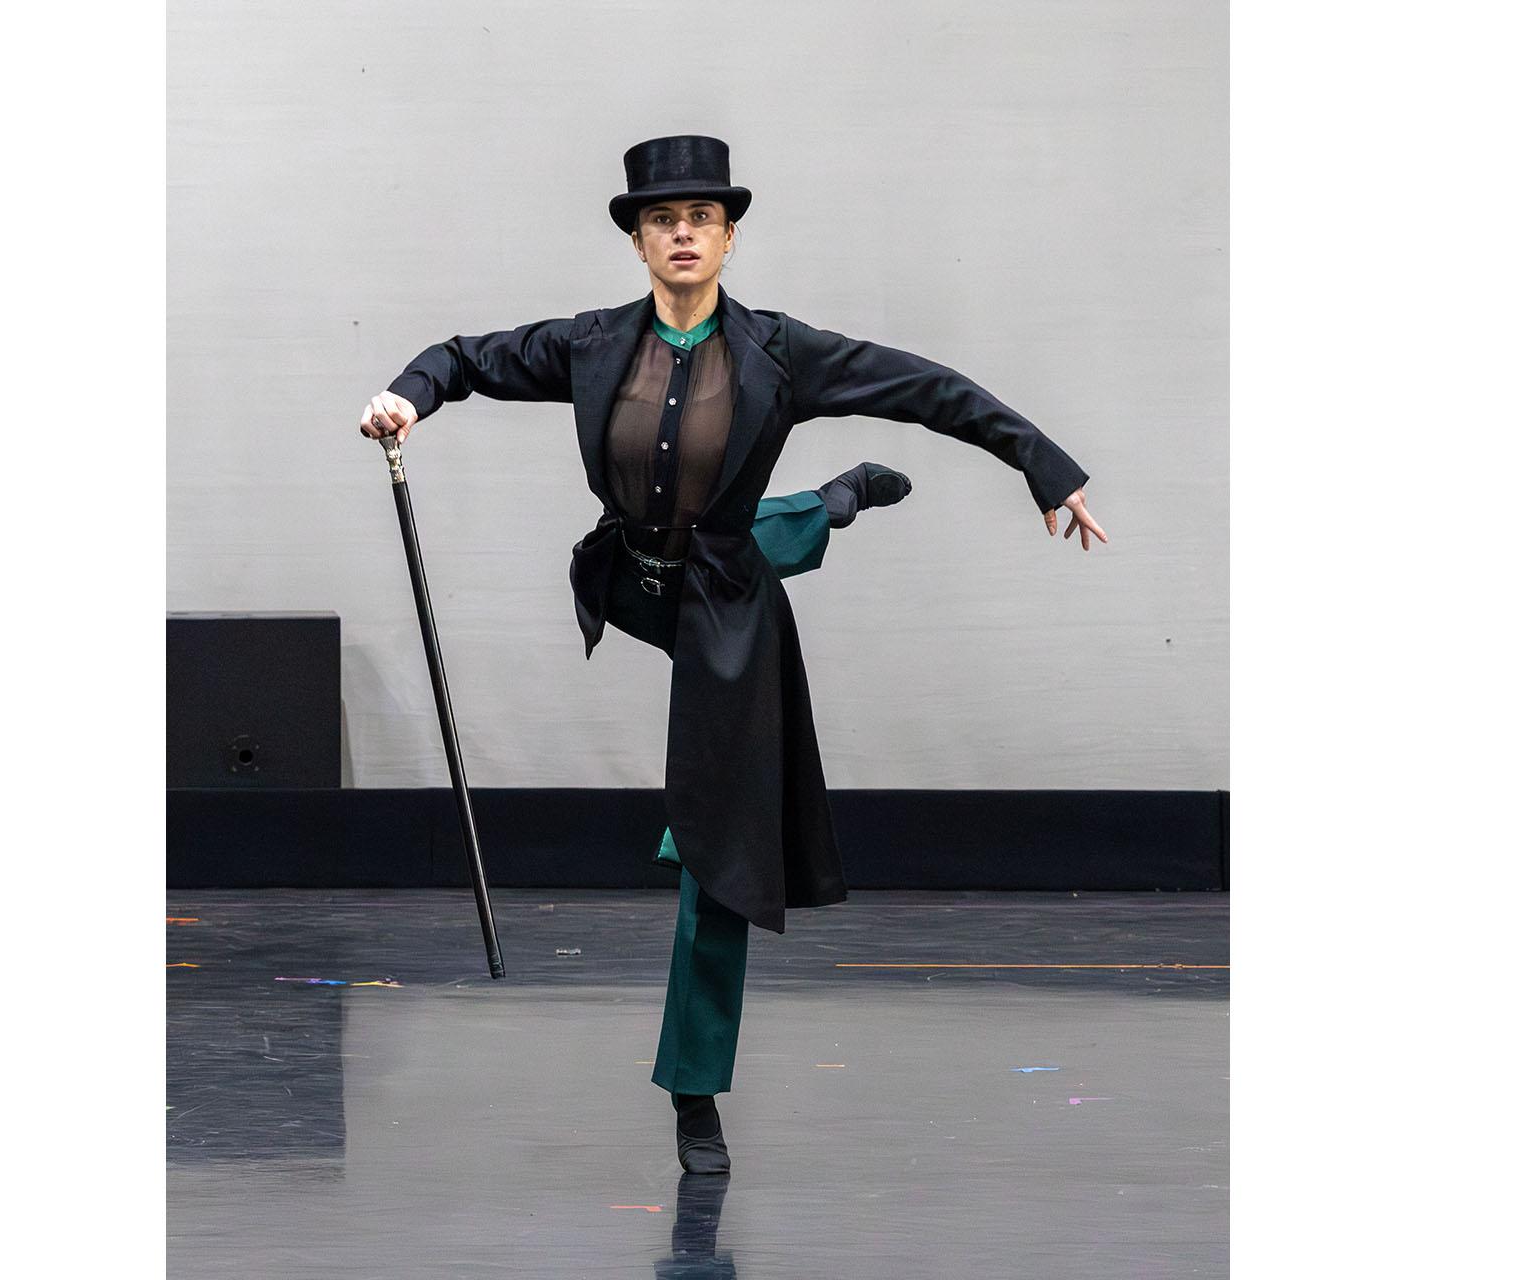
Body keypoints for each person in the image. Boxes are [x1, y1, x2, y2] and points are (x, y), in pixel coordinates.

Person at [360, 135, 1106, 1175]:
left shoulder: (780, 353)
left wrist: (1043, 464)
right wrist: (407, 393)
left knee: (717, 845)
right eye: (662, 219)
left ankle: (695, 1088)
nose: (682, 234)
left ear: (728, 235)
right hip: (629, 576)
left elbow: (930, 388)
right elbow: (465, 357)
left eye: (701, 218)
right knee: (769, 526)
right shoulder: (589, 346)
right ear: (637, 239)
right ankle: (830, 502)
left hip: (723, 609)